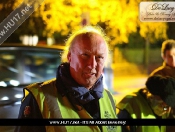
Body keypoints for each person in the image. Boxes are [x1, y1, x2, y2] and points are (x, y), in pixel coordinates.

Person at [14, 26, 121, 132]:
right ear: (69, 56)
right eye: (85, 55)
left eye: (99, 57)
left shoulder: (108, 98)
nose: (92, 64)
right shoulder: (39, 99)